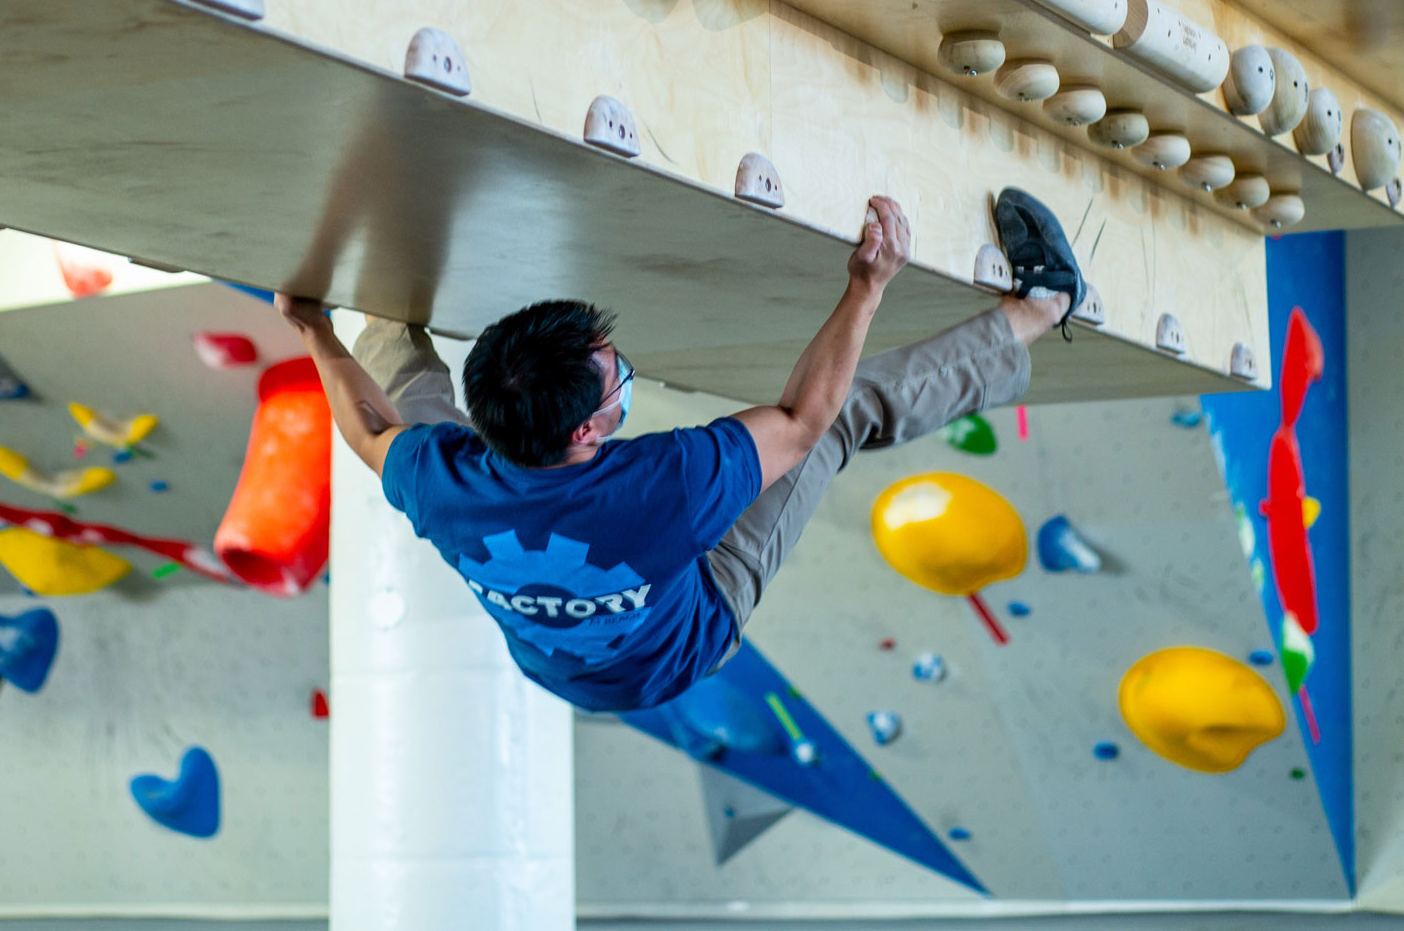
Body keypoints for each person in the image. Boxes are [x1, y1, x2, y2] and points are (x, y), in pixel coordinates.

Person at [275, 188, 1083, 712]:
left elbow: (368, 431)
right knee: (842, 422)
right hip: (688, 633)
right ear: (588, 432)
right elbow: (805, 417)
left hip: (558, 665)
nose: (623, 377)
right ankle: (1042, 308)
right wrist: (866, 285)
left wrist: (314, 329)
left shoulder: (445, 484)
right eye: (614, 378)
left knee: (410, 425)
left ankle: (376, 313)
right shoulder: (666, 488)